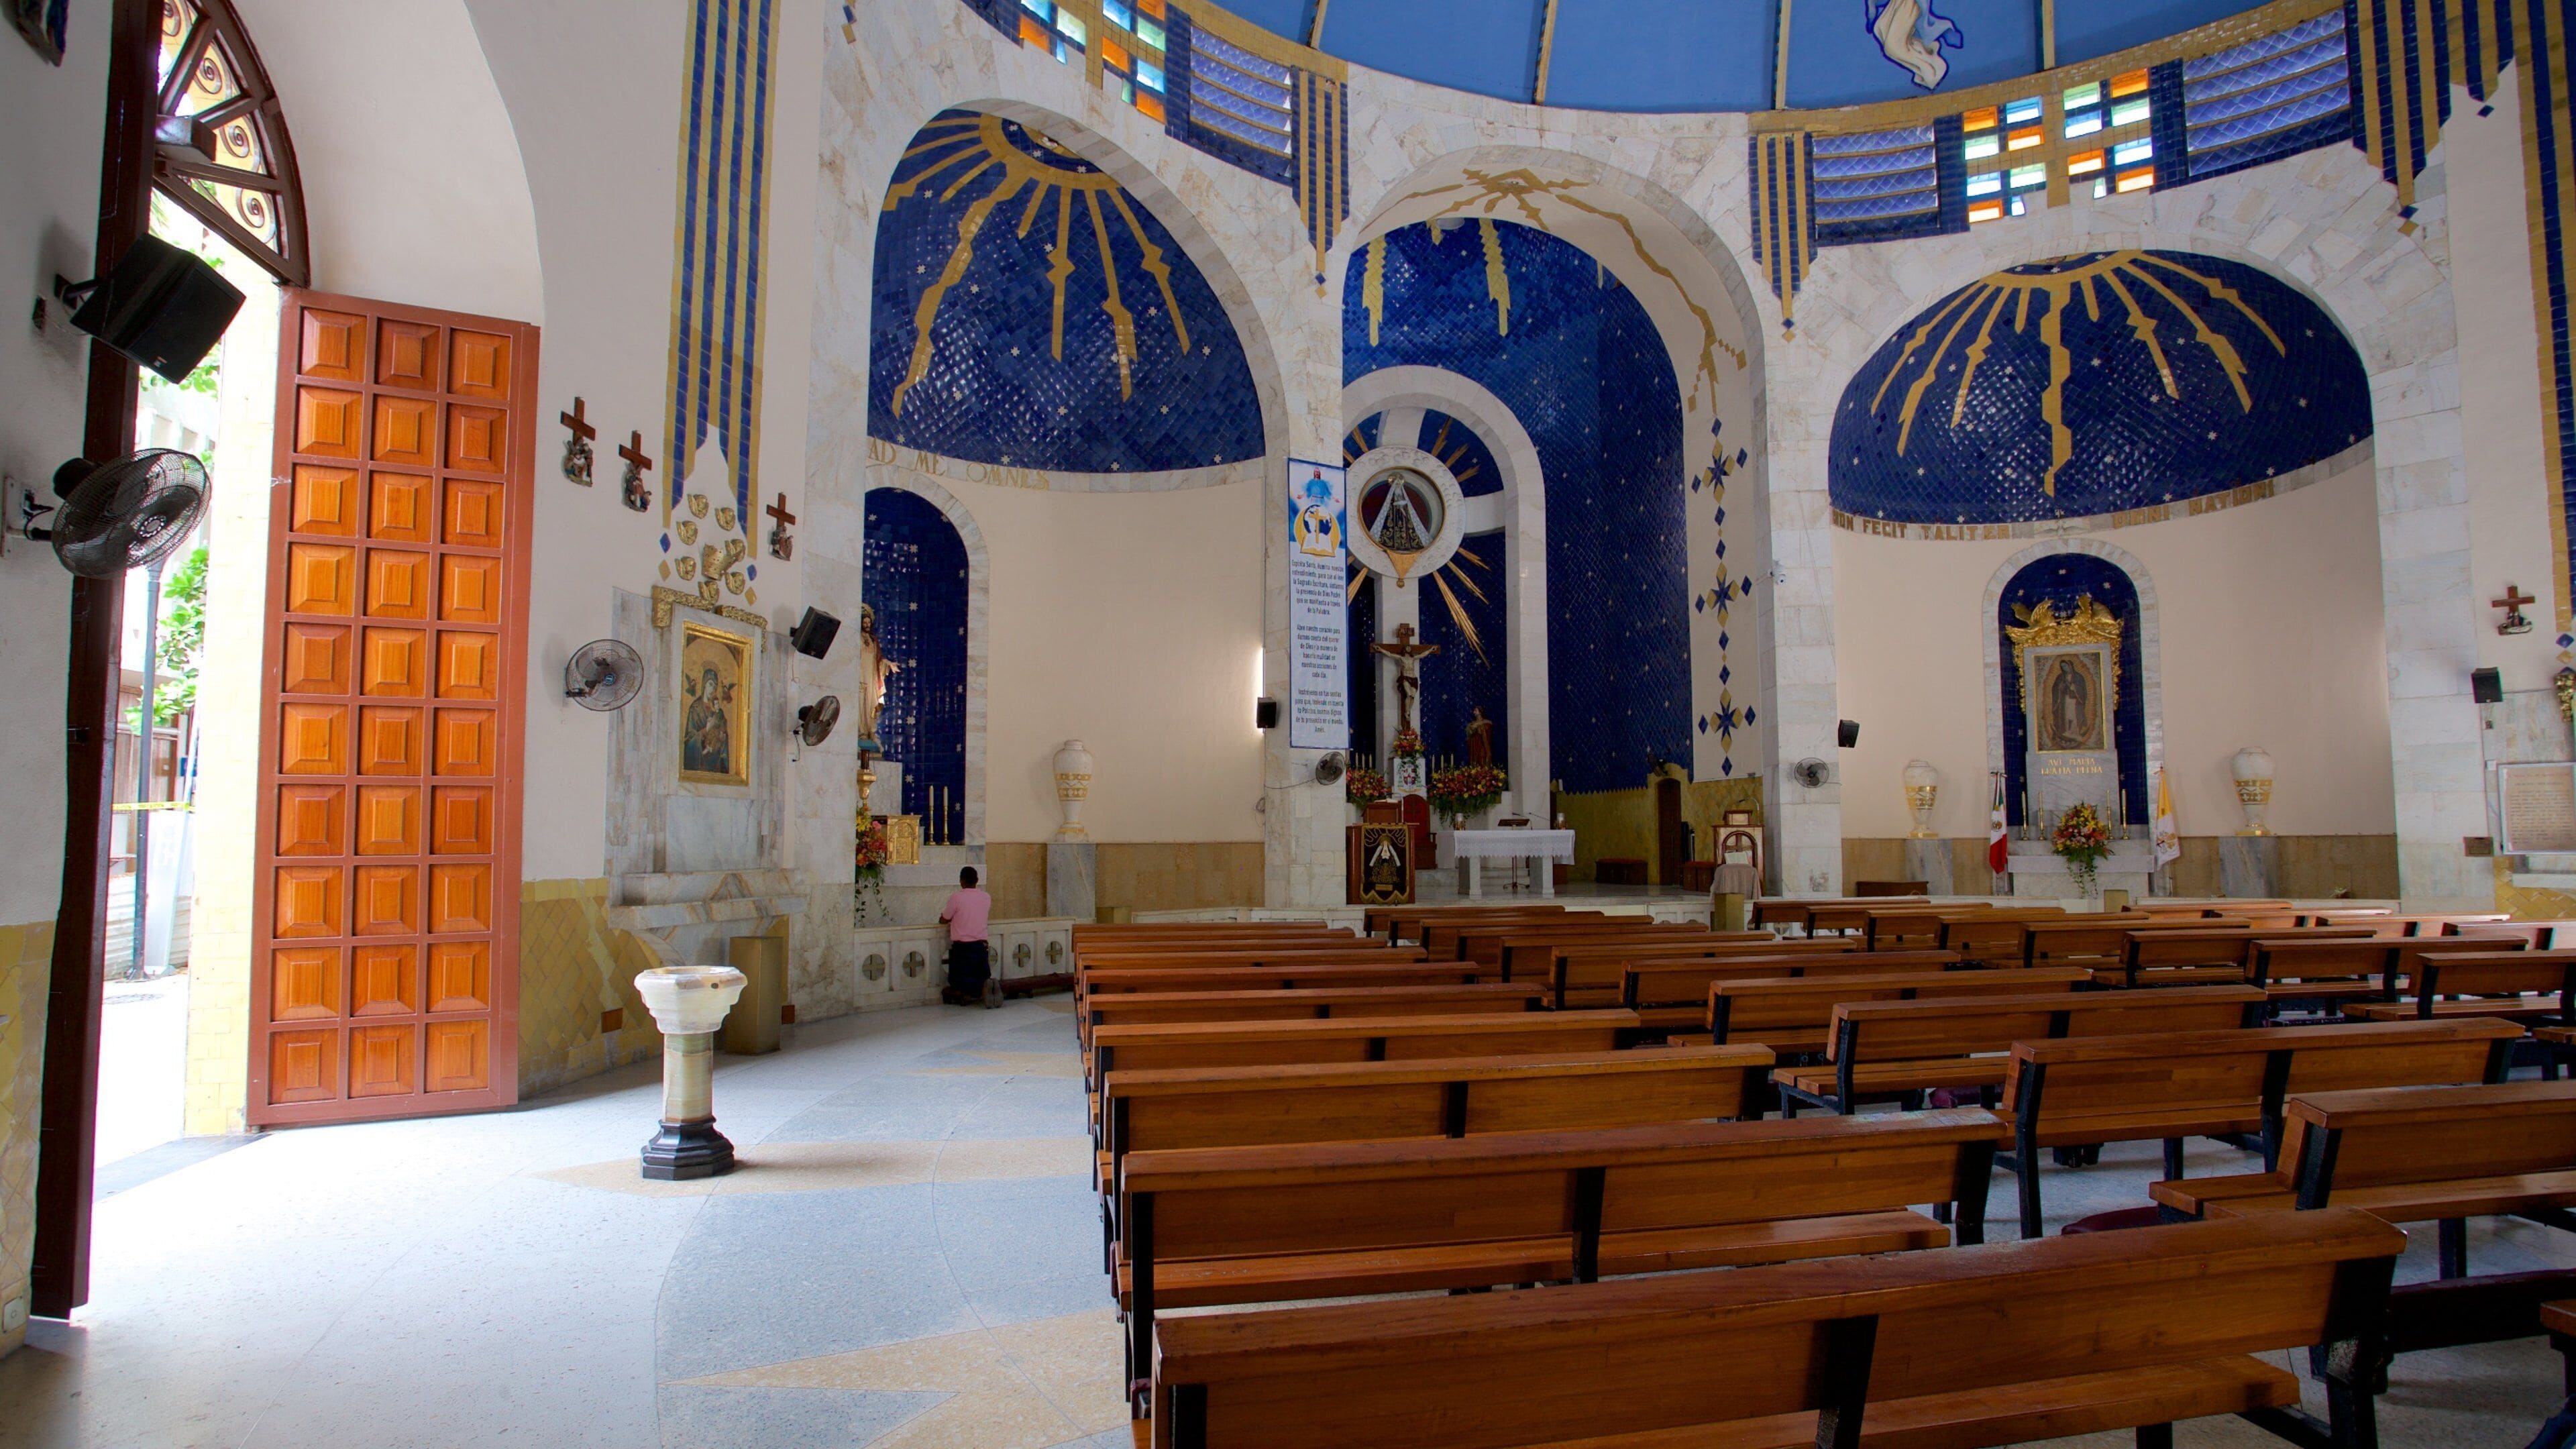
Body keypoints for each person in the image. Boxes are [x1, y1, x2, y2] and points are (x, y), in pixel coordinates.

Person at [939, 865, 998, 1008]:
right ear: (977, 880)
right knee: (981, 975)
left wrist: (944, 918)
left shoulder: (957, 897)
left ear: (962, 881)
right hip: (981, 946)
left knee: (957, 980)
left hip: (963, 948)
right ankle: (987, 986)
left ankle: (980, 989)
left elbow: (945, 919)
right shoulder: (986, 897)